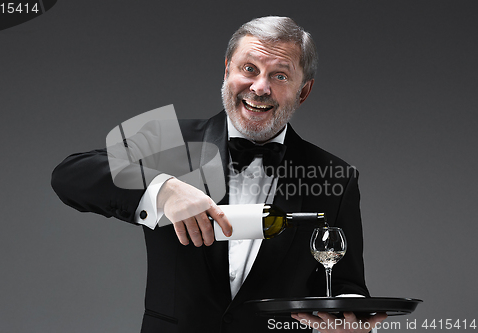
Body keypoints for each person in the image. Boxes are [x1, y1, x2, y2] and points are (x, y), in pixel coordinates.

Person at [52, 16, 386, 333]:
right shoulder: (168, 140)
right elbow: (70, 174)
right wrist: (164, 189)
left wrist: (350, 316)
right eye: (249, 69)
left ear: (304, 91)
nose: (259, 87)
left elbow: (345, 282)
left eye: (280, 76)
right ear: (227, 71)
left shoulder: (335, 177)